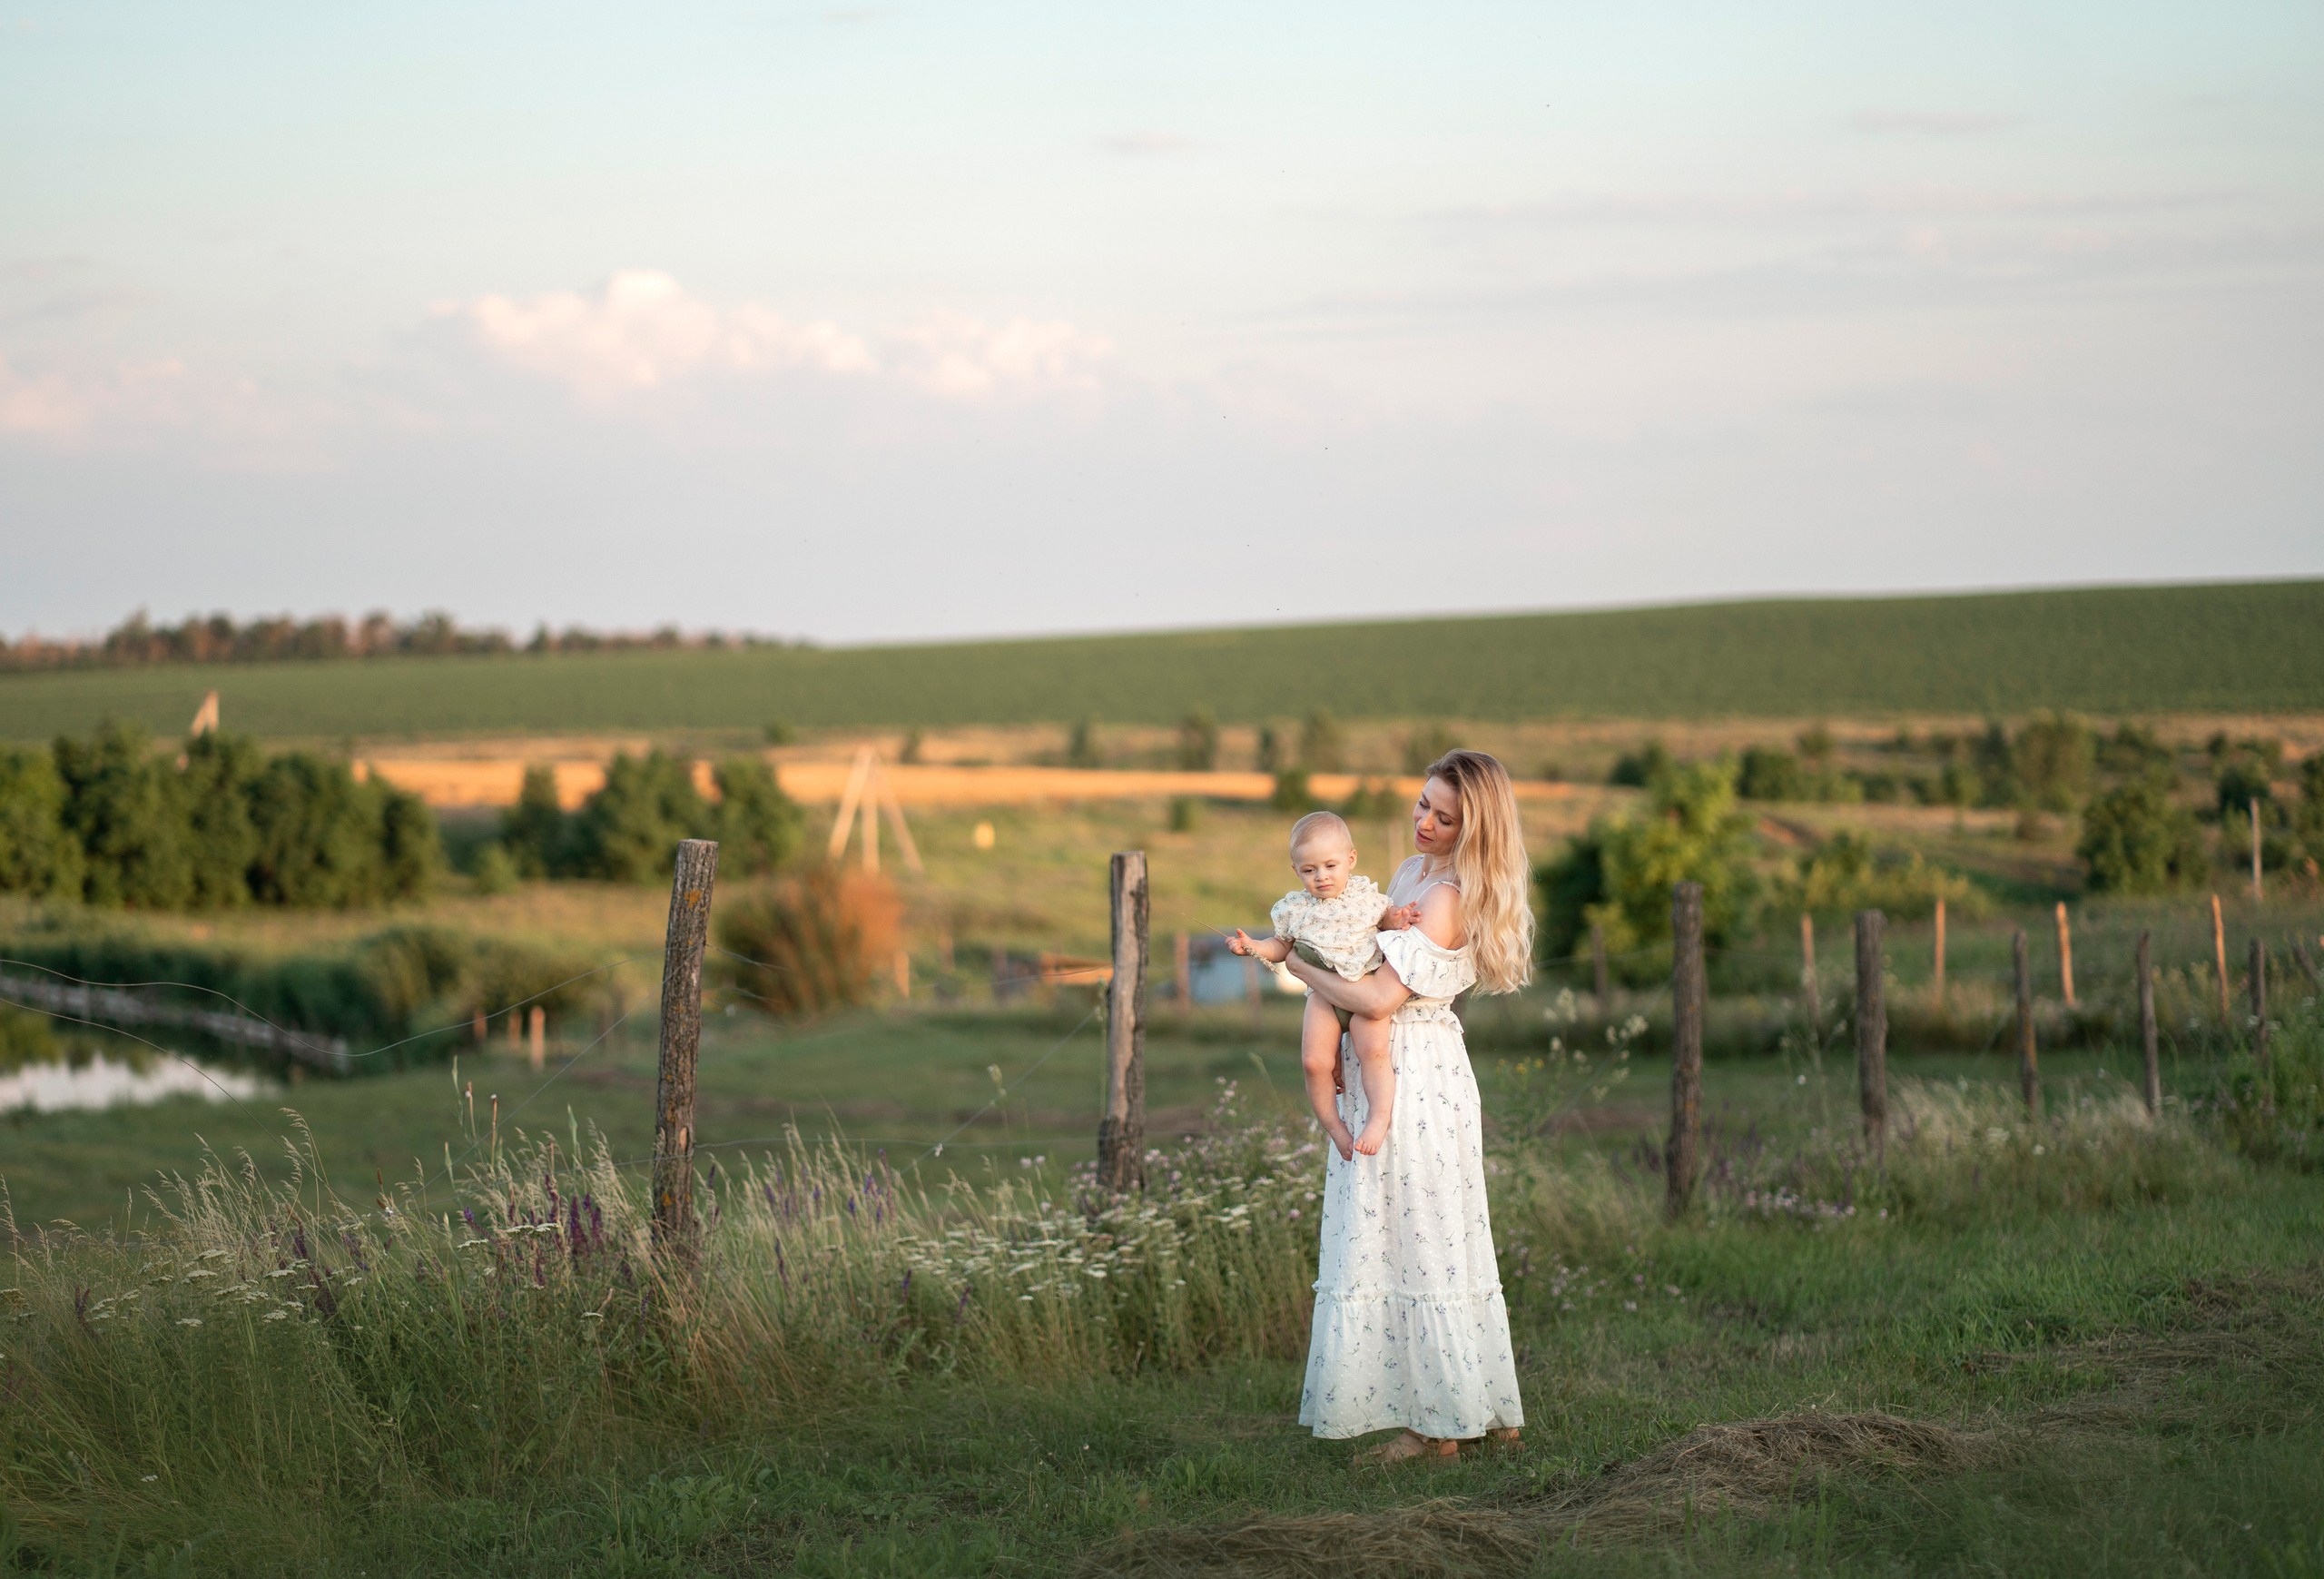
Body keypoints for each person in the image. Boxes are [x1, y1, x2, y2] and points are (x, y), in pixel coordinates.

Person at [1279, 750, 1533, 1464]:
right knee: (1420, 1237)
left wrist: (1292, 960)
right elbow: (1360, 955)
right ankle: (1484, 1407)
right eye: (1423, 803)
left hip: (1416, 1076)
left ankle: (1438, 1429)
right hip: (1384, 1065)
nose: (1424, 822)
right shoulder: (1408, 874)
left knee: (1425, 1240)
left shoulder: (1450, 892)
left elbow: (1375, 996)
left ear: (1475, 828)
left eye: (1444, 816)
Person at [1227, 811, 1417, 1160]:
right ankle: (1335, 1129)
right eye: (1309, 870)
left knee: (1374, 1053)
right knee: (1315, 1062)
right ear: (1296, 871)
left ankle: (1378, 1118)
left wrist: (1398, 918)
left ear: (1350, 859)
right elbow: (1281, 947)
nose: (1321, 877)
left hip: (1363, 990)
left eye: (1330, 866)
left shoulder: (1364, 897)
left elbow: (1387, 918)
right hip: (1324, 998)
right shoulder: (1295, 908)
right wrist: (1254, 947)